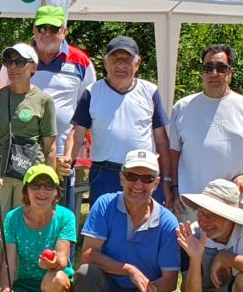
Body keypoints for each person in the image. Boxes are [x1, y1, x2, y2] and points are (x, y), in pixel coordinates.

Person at [73, 149, 181, 292]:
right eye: (132, 176)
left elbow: (170, 281)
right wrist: (129, 270)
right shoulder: (104, 204)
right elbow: (87, 255)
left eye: (147, 178)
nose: (138, 184)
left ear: (156, 183)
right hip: (109, 286)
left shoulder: (168, 221)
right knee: (85, 274)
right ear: (121, 178)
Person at [2, 6, 96, 209]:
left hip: (61, 159)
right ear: (34, 30)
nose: (47, 33)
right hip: (17, 159)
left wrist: (70, 155)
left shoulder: (82, 62)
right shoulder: (15, 59)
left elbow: (86, 112)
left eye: (53, 29)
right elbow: (2, 101)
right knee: (20, 218)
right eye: (42, 28)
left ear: (64, 31)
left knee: (57, 220)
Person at [59, 36, 171, 204]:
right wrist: (68, 157)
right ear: (106, 63)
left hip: (144, 175)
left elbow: (162, 141)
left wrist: (167, 180)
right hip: (105, 175)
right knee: (105, 220)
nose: (120, 65)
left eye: (126, 60)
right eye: (115, 59)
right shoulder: (92, 92)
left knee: (146, 220)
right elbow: (77, 134)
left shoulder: (150, 92)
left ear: (137, 63)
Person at [167, 44, 243, 215]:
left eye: (221, 68)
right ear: (202, 73)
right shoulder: (182, 108)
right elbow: (174, 154)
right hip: (192, 204)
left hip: (235, 205)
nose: (214, 73)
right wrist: (174, 188)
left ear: (230, 72)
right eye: (208, 68)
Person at [0, 44, 57, 213]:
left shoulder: (44, 101)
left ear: (33, 67)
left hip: (31, 177)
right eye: (9, 62)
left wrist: (48, 185)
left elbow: (50, 149)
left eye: (20, 62)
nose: (13, 67)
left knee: (27, 225)